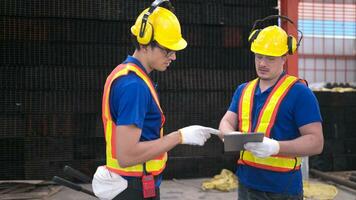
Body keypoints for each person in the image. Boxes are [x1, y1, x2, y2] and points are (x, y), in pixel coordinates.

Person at [93, 1, 218, 199]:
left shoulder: (127, 75)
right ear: (144, 42)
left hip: (131, 184)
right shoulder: (134, 86)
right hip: (133, 188)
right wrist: (179, 137)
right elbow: (127, 155)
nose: (173, 57)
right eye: (167, 50)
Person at [219, 16, 324, 200]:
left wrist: (276, 147)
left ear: (284, 57)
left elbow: (316, 142)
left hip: (283, 190)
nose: (262, 63)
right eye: (259, 56)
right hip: (246, 185)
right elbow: (227, 120)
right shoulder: (243, 90)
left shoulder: (300, 93)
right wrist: (229, 134)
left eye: (270, 58)